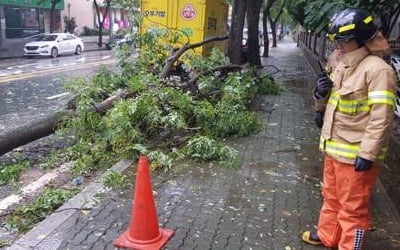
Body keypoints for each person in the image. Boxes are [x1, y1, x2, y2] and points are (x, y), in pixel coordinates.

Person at [302, 8, 396, 250]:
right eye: (337, 41)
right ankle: (327, 237)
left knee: (353, 210)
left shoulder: (377, 70)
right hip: (334, 148)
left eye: (344, 41)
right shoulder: (341, 64)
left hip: (356, 155)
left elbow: (381, 117)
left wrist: (368, 154)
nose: (339, 46)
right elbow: (333, 102)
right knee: (331, 198)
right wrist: (319, 100)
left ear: (360, 39)